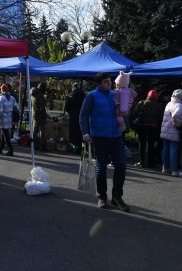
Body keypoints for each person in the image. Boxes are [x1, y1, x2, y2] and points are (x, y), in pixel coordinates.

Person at [79, 73, 129, 212]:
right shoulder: (92, 96)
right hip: (99, 136)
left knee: (121, 165)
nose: (110, 84)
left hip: (116, 136)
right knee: (101, 167)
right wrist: (85, 132)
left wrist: (124, 112)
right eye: (106, 82)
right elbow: (83, 115)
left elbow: (125, 108)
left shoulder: (115, 94)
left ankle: (117, 197)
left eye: (110, 81)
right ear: (99, 83)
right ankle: (102, 196)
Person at [160, 89, 182, 177]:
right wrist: (177, 124)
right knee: (174, 149)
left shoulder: (169, 103)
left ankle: (165, 167)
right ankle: (174, 170)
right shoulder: (179, 105)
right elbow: (175, 116)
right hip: (173, 130)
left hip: (165, 129)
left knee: (165, 148)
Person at [133, 90, 162, 168]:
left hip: (142, 126)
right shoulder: (159, 105)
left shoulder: (142, 102)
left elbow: (135, 113)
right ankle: (150, 163)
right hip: (153, 126)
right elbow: (160, 117)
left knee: (142, 144)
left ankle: (142, 162)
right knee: (151, 145)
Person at [0, 84, 16, 156]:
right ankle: (0, 148)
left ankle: (11, 150)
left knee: (6, 134)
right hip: (9, 117)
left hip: (3, 118)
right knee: (4, 133)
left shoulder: (1, 98)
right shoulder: (12, 98)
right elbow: (16, 107)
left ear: (1, 90)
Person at [64, 82, 86, 152]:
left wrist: (71, 113)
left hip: (73, 118)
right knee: (81, 133)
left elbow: (66, 108)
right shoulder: (83, 95)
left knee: (73, 134)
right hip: (82, 118)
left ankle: (75, 148)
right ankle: (83, 148)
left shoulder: (70, 96)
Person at [31, 82, 48, 148]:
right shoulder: (40, 95)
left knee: (35, 129)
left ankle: (34, 145)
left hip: (34, 113)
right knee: (42, 130)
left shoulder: (32, 93)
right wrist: (45, 115)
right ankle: (42, 145)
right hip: (40, 114)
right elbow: (42, 107)